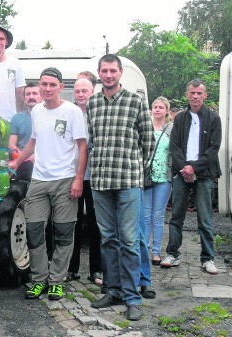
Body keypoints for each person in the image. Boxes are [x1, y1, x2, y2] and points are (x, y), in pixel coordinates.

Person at [9, 67, 87, 302]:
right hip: (39, 180)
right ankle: (38, 279)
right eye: (44, 84)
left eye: (52, 84)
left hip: (65, 180)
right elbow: (33, 141)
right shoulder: (37, 113)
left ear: (61, 87)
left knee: (63, 233)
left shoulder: (72, 111)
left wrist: (78, 178)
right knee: (34, 232)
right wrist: (17, 162)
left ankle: (56, 282)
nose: (47, 88)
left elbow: (82, 146)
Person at [87, 55, 154, 321]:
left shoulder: (136, 102)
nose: (108, 75)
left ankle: (132, 297)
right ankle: (112, 290)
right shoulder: (92, 103)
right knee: (108, 240)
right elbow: (92, 139)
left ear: (120, 72)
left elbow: (148, 143)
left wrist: (135, 170)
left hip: (127, 183)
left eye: (113, 70)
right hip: (101, 183)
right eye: (104, 71)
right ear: (99, 73)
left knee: (129, 241)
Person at [160, 79, 222, 275]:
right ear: (187, 94)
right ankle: (172, 254)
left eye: (199, 93)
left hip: (204, 175)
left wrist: (193, 168)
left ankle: (208, 259)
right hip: (181, 174)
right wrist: (185, 169)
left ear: (205, 95)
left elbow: (214, 149)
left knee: (204, 219)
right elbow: (175, 147)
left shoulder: (213, 119)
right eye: (192, 93)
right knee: (176, 216)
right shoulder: (180, 119)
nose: (195, 96)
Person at [66, 78, 103, 288]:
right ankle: (72, 268)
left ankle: (96, 269)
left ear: (92, 91)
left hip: (96, 176)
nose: (80, 94)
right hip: (73, 176)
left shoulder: (98, 113)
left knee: (97, 224)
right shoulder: (70, 113)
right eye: (77, 91)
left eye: (84, 91)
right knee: (73, 223)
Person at [137, 96, 174, 301]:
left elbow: (175, 151)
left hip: (164, 177)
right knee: (145, 215)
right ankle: (145, 249)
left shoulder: (171, 129)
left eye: (161, 107)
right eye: (155, 106)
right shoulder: (145, 126)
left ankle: (156, 251)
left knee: (158, 216)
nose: (157, 109)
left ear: (167, 111)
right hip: (146, 176)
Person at [9, 82, 42, 154]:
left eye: (35, 93)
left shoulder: (49, 118)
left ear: (42, 97)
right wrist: (24, 158)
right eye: (28, 94)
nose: (31, 97)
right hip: (22, 160)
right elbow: (11, 145)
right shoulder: (17, 118)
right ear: (24, 98)